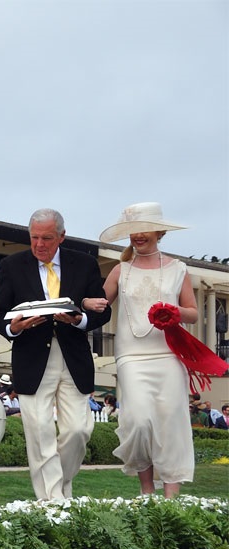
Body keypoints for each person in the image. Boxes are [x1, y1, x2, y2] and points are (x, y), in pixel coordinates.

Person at [0, 208, 112, 501]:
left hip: (74, 357)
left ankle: (61, 486)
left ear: (61, 236)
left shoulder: (84, 264)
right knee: (40, 430)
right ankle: (53, 501)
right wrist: (14, 327)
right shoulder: (11, 265)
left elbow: (102, 309)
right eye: (34, 238)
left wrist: (81, 319)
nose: (39, 245)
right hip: (31, 357)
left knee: (79, 430)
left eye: (46, 238)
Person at [97, 202, 199, 498]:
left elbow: (192, 311)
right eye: (132, 231)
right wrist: (84, 304)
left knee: (170, 421)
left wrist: (175, 311)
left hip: (168, 355)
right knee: (138, 420)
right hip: (131, 356)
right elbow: (99, 303)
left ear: (159, 231)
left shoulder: (178, 269)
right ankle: (145, 490)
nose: (137, 236)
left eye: (143, 229)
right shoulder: (121, 270)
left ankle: (170, 497)